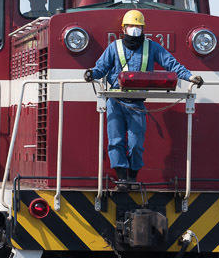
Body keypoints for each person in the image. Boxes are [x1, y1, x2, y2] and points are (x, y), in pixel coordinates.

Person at [84, 10, 203, 184]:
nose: (134, 29)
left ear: (143, 28)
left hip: (137, 103)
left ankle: (133, 177)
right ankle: (123, 180)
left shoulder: (152, 47)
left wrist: (190, 77)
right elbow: (101, 68)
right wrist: (91, 73)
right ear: (124, 28)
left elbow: (171, 64)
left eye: (138, 26)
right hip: (115, 101)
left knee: (136, 144)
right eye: (131, 26)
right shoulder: (114, 47)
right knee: (115, 141)